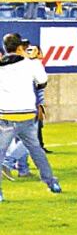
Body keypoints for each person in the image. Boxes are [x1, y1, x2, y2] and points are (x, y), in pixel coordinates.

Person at [0, 33, 61, 201]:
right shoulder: (31, 64)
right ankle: (51, 182)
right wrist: (34, 61)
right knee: (36, 151)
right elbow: (42, 82)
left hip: (5, 115)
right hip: (26, 114)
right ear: (20, 47)